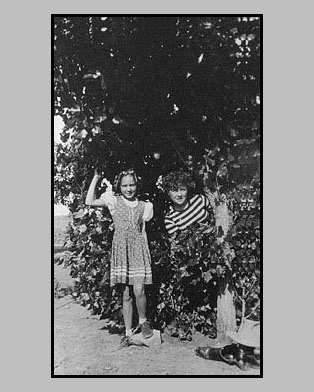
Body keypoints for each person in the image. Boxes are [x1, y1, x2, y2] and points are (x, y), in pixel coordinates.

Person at [85, 167, 154, 342]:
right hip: (121, 250)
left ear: (137, 185)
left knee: (139, 289)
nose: (129, 189)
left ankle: (144, 321)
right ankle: (129, 331)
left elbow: (143, 231)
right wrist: (96, 178)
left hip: (138, 249)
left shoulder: (144, 206)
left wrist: (146, 255)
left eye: (132, 185)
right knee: (126, 293)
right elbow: (89, 201)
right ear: (119, 186)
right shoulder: (114, 202)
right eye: (125, 186)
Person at [162, 170, 213, 236]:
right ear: (168, 193)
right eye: (175, 190)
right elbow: (178, 242)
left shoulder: (199, 199)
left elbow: (215, 215)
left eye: (182, 189)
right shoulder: (170, 219)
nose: (179, 194)